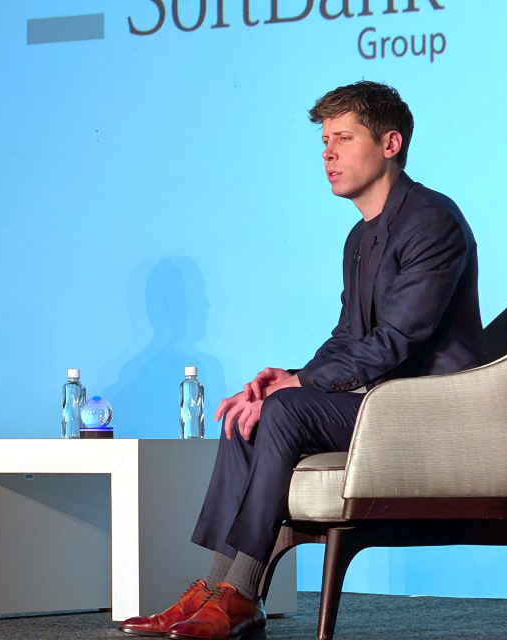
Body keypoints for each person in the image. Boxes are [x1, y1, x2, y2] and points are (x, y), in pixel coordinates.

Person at [119, 81, 484, 640]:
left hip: (426, 408)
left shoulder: (432, 221)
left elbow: (396, 340)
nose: (328, 154)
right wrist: (286, 377)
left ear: (390, 144)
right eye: (324, 142)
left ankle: (240, 595)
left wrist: (300, 386)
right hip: (379, 403)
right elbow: (348, 336)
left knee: (285, 409)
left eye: (343, 139)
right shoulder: (359, 238)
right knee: (248, 410)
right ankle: (216, 588)